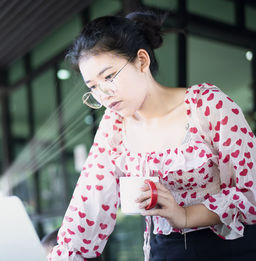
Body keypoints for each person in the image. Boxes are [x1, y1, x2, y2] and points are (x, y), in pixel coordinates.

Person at [47, 10, 256, 261]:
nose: (104, 95)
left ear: (142, 61)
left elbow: (252, 191)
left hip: (231, 246)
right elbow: (88, 203)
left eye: (109, 77)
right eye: (93, 87)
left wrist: (186, 215)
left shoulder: (208, 106)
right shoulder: (114, 127)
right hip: (165, 250)